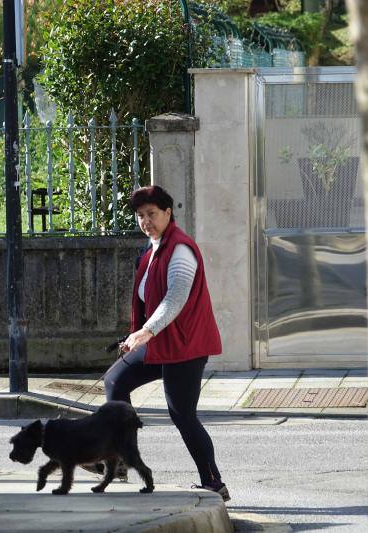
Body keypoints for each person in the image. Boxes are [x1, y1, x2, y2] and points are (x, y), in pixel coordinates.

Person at [103, 185, 229, 501]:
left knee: (182, 415)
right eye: (141, 215)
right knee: (115, 381)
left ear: (168, 213)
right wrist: (141, 334)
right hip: (159, 341)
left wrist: (144, 331)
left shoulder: (181, 250)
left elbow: (175, 298)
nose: (146, 221)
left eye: (153, 214)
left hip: (185, 345)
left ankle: (214, 482)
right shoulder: (152, 249)